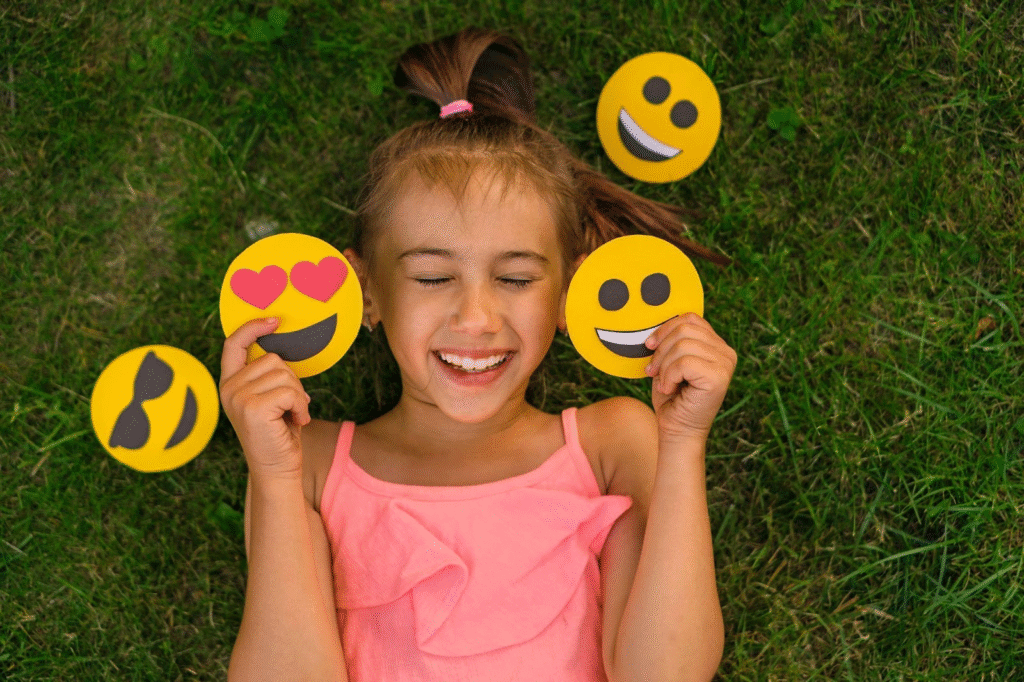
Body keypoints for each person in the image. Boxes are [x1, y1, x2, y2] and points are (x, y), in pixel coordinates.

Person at [220, 27, 736, 682]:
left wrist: (685, 440)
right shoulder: (308, 463)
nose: (476, 318)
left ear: (567, 295)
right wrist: (269, 471)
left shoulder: (612, 443)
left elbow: (665, 674)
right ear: (368, 293)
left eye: (516, 279)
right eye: (434, 278)